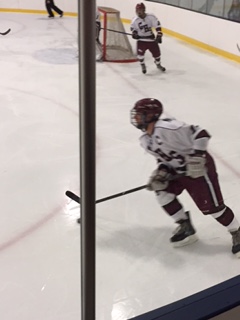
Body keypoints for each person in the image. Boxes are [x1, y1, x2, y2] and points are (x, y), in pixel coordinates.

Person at [130, 98, 240, 258]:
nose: (136, 118)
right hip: (178, 171)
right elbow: (164, 159)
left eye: (140, 114)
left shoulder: (168, 128)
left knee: (212, 208)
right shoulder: (145, 140)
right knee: (162, 192)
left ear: (151, 115)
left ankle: (236, 231)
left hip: (199, 169)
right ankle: (185, 226)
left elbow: (201, 133)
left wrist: (198, 156)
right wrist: (161, 172)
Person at [130, 3, 165, 74]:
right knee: (140, 55)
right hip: (141, 41)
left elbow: (157, 25)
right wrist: (134, 33)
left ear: (144, 10)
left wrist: (159, 33)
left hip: (151, 40)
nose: (138, 12)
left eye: (140, 10)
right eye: (137, 10)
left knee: (157, 55)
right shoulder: (135, 20)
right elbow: (133, 28)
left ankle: (158, 64)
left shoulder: (151, 16)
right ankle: (142, 65)